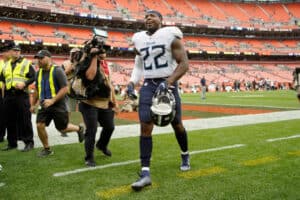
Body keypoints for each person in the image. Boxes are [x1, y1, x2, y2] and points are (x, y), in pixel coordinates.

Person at [126, 10, 190, 191]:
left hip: (167, 83)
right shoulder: (138, 38)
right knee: (145, 125)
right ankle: (145, 172)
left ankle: (185, 154)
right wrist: (131, 82)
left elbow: (184, 63)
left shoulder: (170, 35)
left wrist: (169, 82)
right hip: (148, 85)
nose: (148, 18)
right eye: (146, 16)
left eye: (152, 16)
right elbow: (139, 65)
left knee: (176, 124)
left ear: (161, 20)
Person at [30, 49, 85, 157]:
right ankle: (47, 149)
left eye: (41, 58)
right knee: (39, 125)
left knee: (62, 128)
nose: (38, 61)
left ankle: (79, 129)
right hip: (44, 104)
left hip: (58, 104)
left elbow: (64, 89)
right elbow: (36, 90)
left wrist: (52, 100)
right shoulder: (38, 73)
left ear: (49, 58)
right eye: (37, 59)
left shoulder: (58, 71)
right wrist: (32, 104)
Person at [79, 48, 119, 167]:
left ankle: (101, 145)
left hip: (104, 103)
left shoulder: (105, 65)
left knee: (110, 127)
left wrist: (115, 102)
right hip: (89, 103)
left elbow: (109, 84)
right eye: (99, 52)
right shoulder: (86, 61)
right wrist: (93, 57)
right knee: (92, 130)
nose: (102, 54)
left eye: (103, 52)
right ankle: (89, 157)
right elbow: (90, 77)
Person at [0, 41, 35, 152]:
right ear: (11, 52)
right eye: (14, 50)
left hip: (21, 95)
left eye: (18, 51)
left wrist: (24, 83)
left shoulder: (26, 63)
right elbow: (3, 81)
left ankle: (29, 142)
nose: (16, 52)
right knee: (9, 120)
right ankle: (12, 143)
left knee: (25, 119)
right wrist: (3, 97)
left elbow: (33, 77)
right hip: (9, 96)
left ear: (20, 52)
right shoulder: (6, 64)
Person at [60, 47, 81, 137]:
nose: (76, 55)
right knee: (68, 110)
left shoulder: (82, 63)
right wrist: (69, 69)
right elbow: (61, 75)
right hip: (70, 90)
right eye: (74, 53)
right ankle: (65, 128)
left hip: (80, 89)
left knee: (85, 109)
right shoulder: (65, 63)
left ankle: (86, 128)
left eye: (77, 54)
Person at [0, 42, 12, 142]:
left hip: (8, 91)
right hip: (1, 92)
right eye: (8, 52)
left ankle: (10, 135)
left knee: (8, 114)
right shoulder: (1, 63)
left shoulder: (11, 64)